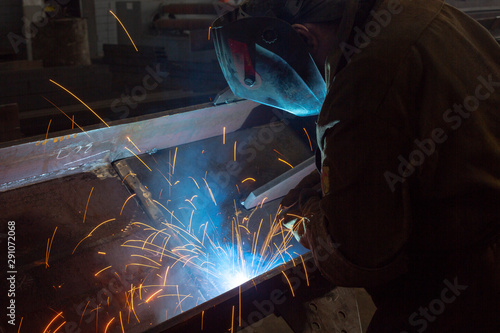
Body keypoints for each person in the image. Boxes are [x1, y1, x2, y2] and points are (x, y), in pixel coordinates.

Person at [211, 0, 500, 331]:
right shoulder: (418, 13)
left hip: (468, 289)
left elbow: (357, 252)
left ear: (304, 39)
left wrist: (307, 216)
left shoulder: (363, 79)